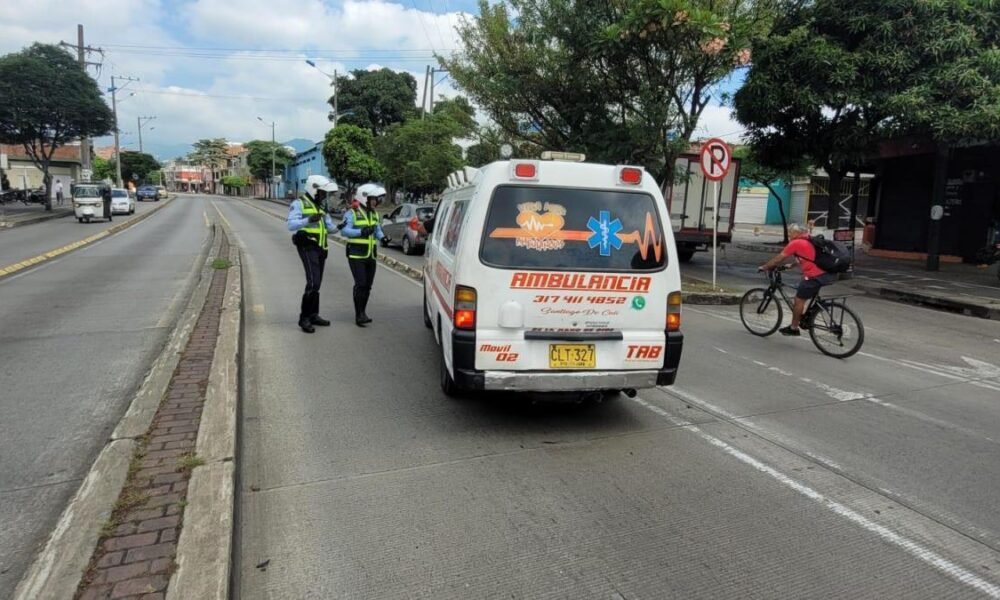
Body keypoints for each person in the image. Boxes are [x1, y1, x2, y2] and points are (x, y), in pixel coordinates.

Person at [759, 223, 835, 336]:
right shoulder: (810, 239)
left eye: (791, 232)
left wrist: (765, 267)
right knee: (806, 295)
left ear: (797, 233)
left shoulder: (796, 242)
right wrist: (792, 265)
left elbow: (779, 258)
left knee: (799, 300)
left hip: (814, 276)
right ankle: (807, 317)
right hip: (826, 274)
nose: (789, 234)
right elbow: (807, 256)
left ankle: (793, 328)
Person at [287, 175, 340, 333]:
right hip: (307, 246)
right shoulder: (299, 203)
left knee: (317, 283)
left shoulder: (321, 206)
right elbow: (291, 224)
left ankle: (313, 314)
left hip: (321, 247)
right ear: (314, 190)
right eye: (322, 192)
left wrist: (342, 226)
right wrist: (308, 220)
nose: (324, 196)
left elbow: (330, 227)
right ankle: (304, 318)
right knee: (313, 282)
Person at [341, 183, 390, 327]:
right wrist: (360, 232)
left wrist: (383, 238)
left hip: (370, 255)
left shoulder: (374, 214)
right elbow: (344, 231)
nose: (375, 202)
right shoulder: (352, 213)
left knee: (368, 286)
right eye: (372, 199)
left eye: (376, 199)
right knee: (361, 283)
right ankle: (359, 315)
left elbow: (377, 230)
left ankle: (363, 312)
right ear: (364, 198)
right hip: (356, 254)